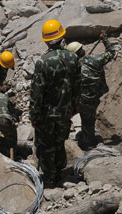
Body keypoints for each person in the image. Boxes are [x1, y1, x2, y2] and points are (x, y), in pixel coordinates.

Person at [29, 19, 81, 187]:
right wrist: (74, 107)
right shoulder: (73, 58)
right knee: (59, 142)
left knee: (46, 146)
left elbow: (37, 93)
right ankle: (60, 173)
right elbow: (77, 85)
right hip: (65, 112)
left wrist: (34, 115)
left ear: (46, 41)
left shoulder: (43, 62)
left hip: (46, 114)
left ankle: (51, 179)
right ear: (62, 37)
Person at [66, 31, 116, 150]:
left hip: (82, 100)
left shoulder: (73, 68)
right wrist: (105, 39)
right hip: (94, 96)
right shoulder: (96, 59)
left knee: (86, 120)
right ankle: (89, 138)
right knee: (89, 119)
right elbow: (111, 52)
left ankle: (88, 143)